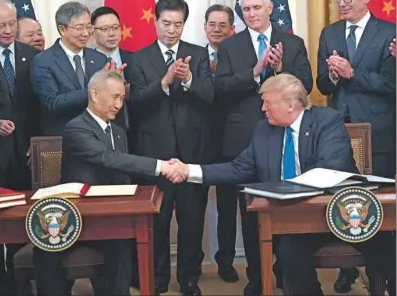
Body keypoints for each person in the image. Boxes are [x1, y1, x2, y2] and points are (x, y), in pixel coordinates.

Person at [163, 73, 396, 296]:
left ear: (291, 105)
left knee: (388, 247)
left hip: (344, 214)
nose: (262, 109)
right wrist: (188, 170)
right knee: (289, 252)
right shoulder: (264, 130)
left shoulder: (327, 121)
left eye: (267, 103)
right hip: (298, 221)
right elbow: (237, 168)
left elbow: (328, 171)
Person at [33, 69, 180, 296]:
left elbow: (123, 171)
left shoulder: (119, 132)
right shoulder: (76, 127)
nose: (119, 104)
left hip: (112, 213)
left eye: (122, 98)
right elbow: (108, 158)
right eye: (114, 97)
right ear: (94, 93)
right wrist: (161, 166)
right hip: (80, 215)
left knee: (123, 239)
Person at [213, 0, 312, 293]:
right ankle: (257, 279)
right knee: (252, 215)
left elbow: (306, 86)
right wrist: (255, 72)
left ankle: (287, 275)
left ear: (271, 8)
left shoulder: (292, 42)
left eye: (257, 8)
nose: (252, 14)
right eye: (246, 10)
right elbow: (221, 89)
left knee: (288, 211)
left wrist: (282, 71)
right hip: (245, 141)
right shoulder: (230, 47)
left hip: (285, 140)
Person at [129, 0, 215, 296]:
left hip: (193, 153)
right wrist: (164, 82)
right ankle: (158, 278)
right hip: (154, 154)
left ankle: (190, 280)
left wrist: (189, 78)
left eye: (178, 24)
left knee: (192, 222)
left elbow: (210, 96)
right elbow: (135, 103)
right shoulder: (139, 58)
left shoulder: (198, 55)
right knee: (158, 223)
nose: (171, 30)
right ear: (155, 21)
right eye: (166, 23)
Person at [317, 0, 396, 291]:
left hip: (378, 134)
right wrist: (334, 76)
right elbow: (323, 86)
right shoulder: (330, 33)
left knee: (377, 207)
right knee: (340, 203)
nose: (342, 3)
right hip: (338, 136)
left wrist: (352, 74)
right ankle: (347, 269)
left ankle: (384, 275)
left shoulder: (389, 32)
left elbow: (392, 84)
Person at [0, 0, 40, 296]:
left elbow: (41, 106)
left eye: (11, 23)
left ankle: (19, 283)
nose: (7, 30)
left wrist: (37, 143)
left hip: (25, 153)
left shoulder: (32, 55)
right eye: (0, 25)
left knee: (22, 218)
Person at [31, 1, 121, 136]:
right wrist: (96, 90)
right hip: (62, 139)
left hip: (98, 137)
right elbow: (52, 103)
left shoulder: (100, 59)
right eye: (79, 28)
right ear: (62, 29)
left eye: (89, 27)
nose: (86, 33)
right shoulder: (43, 61)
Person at [202, 3, 240, 282]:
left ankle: (226, 262)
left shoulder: (240, 56)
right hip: (201, 143)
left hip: (234, 142)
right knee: (197, 207)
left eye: (222, 25)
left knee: (229, 206)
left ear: (232, 29)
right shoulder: (192, 56)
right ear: (205, 27)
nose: (216, 30)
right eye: (211, 24)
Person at [91, 6, 133, 134]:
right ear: (92, 32)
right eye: (105, 29)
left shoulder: (135, 58)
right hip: (100, 131)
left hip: (135, 130)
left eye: (115, 28)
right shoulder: (86, 62)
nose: (111, 33)